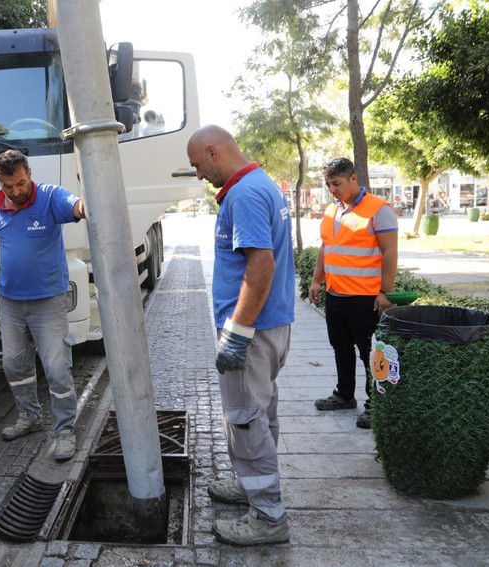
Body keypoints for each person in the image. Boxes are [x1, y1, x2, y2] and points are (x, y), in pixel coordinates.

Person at [186, 125, 295, 546]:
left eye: (197, 165)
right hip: (271, 325)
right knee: (261, 412)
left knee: (245, 419)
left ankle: (268, 516)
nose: (198, 175)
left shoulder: (245, 194)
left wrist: (236, 331)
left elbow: (261, 265)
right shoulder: (260, 183)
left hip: (252, 330)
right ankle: (252, 483)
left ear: (213, 152)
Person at [0, 149, 86, 461]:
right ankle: (30, 416)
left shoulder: (50, 197)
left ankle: (65, 430)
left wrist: (88, 192)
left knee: (55, 367)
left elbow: (78, 208)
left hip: (48, 300)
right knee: (13, 363)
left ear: (29, 174)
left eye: (21, 184)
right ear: (0, 183)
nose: (16, 192)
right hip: (10, 300)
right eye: (8, 187)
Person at [308, 157, 398, 429]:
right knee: (341, 348)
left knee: (370, 353)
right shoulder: (332, 211)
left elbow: (390, 253)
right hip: (336, 295)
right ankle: (344, 394)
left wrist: (385, 292)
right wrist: (316, 281)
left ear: (353, 179)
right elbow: (326, 247)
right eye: (328, 184)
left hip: (366, 298)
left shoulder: (378, 210)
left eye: (336, 183)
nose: (332, 189)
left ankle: (376, 404)